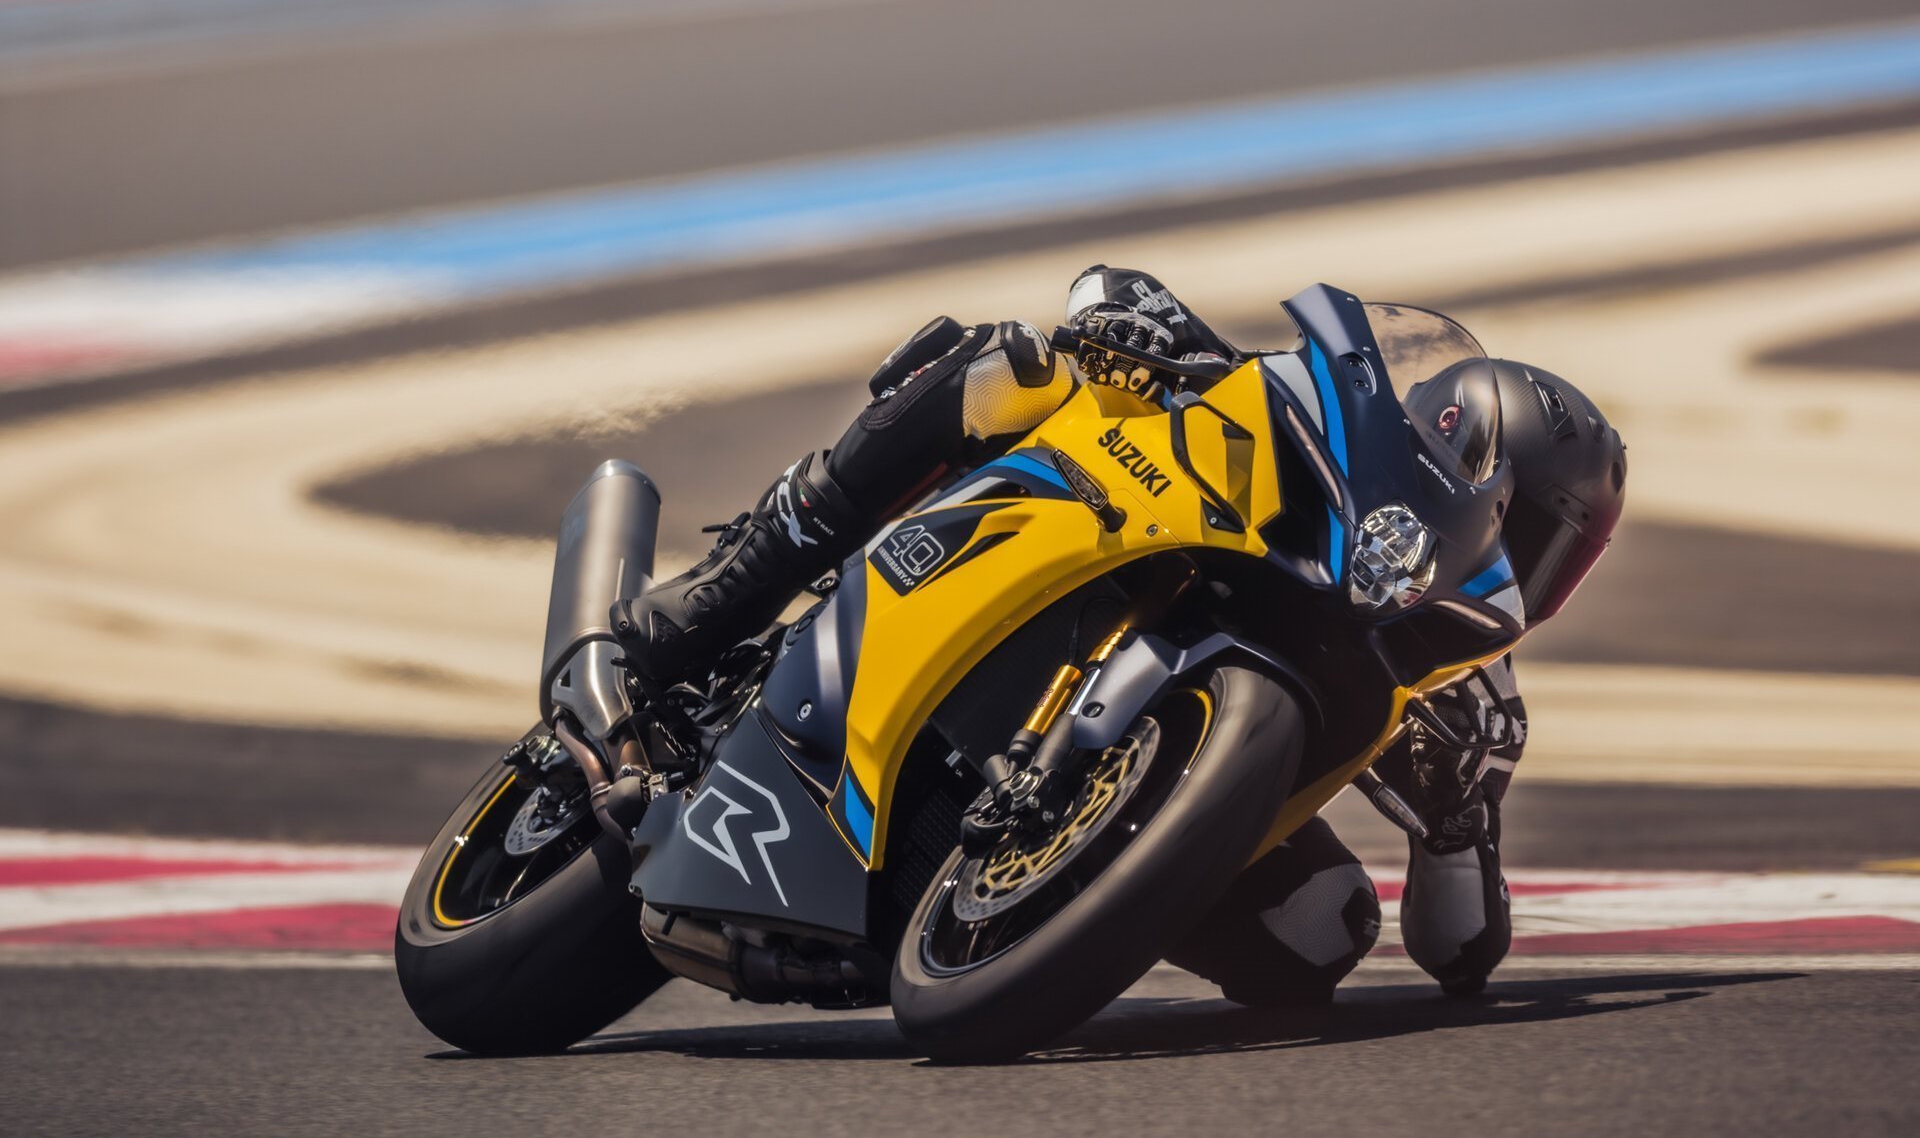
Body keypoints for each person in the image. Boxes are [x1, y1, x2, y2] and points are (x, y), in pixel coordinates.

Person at [611, 265, 1627, 1004]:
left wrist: (1460, 824)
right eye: (1525, 526)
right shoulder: (1297, 416)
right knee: (1010, 367)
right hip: (1110, 527)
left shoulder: (1470, 694)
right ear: (1455, 437)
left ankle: (1035, 913)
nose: (1524, 566)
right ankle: (731, 585)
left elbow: (1461, 953)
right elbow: (1105, 289)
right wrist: (1146, 329)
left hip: (1180, 767)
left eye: (1556, 558)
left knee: (1325, 928)